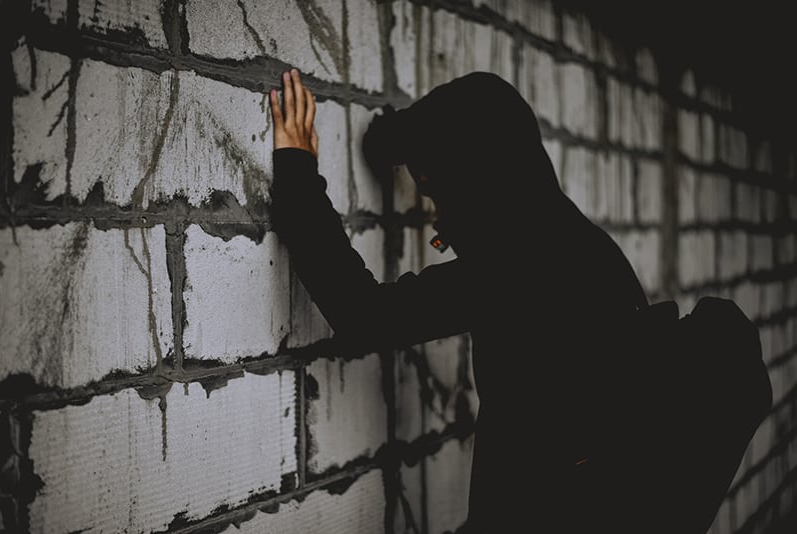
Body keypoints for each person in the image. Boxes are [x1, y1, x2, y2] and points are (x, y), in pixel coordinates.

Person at [269, 68, 652, 532]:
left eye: (436, 189)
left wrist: (296, 174)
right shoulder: (585, 247)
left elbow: (365, 316)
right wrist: (396, 138)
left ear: (475, 176)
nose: (437, 215)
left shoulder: (520, 263)